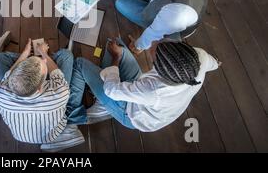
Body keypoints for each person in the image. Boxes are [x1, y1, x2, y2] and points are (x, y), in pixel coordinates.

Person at [73, 39, 219, 132]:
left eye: (153, 51)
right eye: (163, 42)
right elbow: (214, 63)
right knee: (116, 43)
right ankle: (104, 100)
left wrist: (117, 58)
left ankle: (78, 114)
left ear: (159, 69)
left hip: (131, 113)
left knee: (80, 63)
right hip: (141, 91)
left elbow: (111, 90)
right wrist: (217, 62)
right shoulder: (200, 56)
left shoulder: (154, 91)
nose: (155, 40)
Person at [0, 39, 86, 152]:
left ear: (12, 77)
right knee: (66, 55)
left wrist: (25, 54)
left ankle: (32, 62)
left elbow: (7, 76)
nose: (44, 61)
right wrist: (43, 53)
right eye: (44, 65)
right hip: (52, 135)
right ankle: (41, 61)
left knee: (0, 58)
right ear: (42, 86)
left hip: (21, 136)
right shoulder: (60, 92)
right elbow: (57, 74)